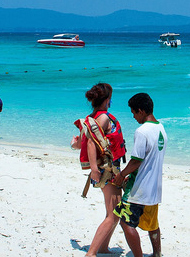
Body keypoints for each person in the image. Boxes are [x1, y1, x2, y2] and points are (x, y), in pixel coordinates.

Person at [112, 93, 167, 257]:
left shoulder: (142, 131)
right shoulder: (161, 129)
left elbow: (137, 160)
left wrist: (122, 174)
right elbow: (149, 160)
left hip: (139, 190)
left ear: (142, 111)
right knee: (152, 224)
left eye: (134, 113)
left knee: (125, 222)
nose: (134, 117)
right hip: (154, 189)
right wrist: (132, 173)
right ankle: (157, 254)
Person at [80, 83, 126, 257]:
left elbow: (81, 142)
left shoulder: (92, 117)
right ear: (107, 100)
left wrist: (73, 144)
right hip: (107, 171)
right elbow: (91, 143)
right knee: (114, 214)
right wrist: (93, 169)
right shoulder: (103, 119)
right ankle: (91, 253)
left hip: (106, 169)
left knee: (113, 211)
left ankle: (103, 248)